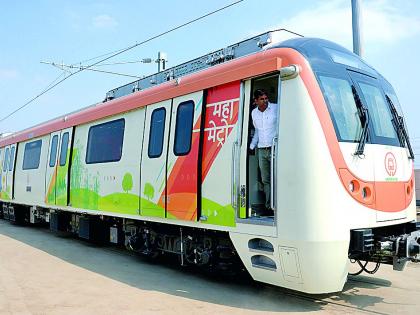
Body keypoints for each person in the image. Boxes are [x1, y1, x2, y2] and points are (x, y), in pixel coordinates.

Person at [249, 89, 278, 215]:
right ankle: (269, 207)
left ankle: (279, 205)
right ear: (256, 101)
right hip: (261, 149)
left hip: (275, 147)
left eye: (266, 98)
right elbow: (258, 131)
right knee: (266, 179)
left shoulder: (276, 108)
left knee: (277, 177)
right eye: (262, 99)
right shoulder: (254, 113)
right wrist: (251, 146)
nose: (265, 101)